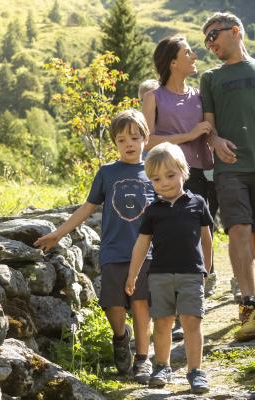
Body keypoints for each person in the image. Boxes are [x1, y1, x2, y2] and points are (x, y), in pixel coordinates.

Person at [34, 109, 154, 383]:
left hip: (146, 251)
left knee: (140, 303)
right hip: (113, 250)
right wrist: (58, 233)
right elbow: (87, 208)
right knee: (113, 304)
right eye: (122, 139)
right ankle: (121, 337)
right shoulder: (107, 173)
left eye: (134, 137)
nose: (129, 144)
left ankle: (143, 359)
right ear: (114, 143)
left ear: (145, 139)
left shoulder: (153, 169)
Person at [142, 36, 217, 341]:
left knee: (196, 240)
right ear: (173, 62)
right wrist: (187, 135)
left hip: (199, 174)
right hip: (165, 178)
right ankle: (169, 313)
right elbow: (147, 140)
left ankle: (191, 304)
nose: (194, 56)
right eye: (188, 53)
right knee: (169, 240)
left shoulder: (200, 96)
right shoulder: (154, 97)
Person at [125, 142, 213, 394]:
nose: (164, 183)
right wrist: (133, 274)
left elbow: (206, 239)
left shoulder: (197, 203)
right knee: (162, 322)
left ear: (184, 171)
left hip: (191, 274)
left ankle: (195, 371)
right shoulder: (153, 211)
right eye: (156, 179)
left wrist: (206, 269)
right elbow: (142, 245)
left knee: (191, 323)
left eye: (170, 175)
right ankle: (162, 366)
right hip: (160, 276)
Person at [200, 12, 255, 342]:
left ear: (236, 31)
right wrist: (215, 140)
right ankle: (247, 308)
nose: (210, 44)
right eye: (205, 40)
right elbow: (208, 125)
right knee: (238, 230)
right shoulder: (211, 78)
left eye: (214, 35)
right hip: (230, 167)